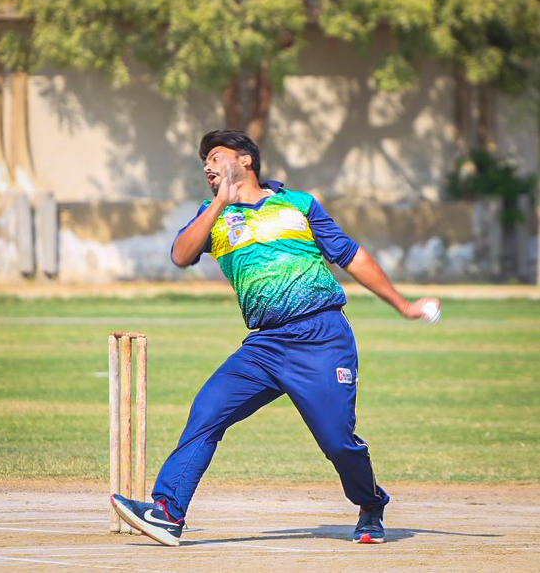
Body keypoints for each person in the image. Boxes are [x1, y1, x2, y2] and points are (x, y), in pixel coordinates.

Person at [111, 129, 440, 546]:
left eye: (215, 156)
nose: (207, 166)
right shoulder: (212, 214)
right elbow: (180, 255)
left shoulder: (298, 204)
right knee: (207, 411)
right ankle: (167, 512)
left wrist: (404, 306)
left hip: (321, 336)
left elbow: (352, 256)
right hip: (264, 345)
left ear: (245, 160)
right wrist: (220, 203)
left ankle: (370, 504)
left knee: (338, 442)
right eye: (204, 162)